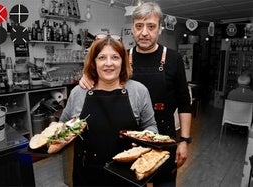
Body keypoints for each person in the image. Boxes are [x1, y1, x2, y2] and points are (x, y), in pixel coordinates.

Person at [79, 2, 192, 186]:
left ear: (160, 29)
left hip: (163, 139)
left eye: (151, 26)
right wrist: (87, 75)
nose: (144, 32)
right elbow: (102, 69)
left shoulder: (173, 59)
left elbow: (184, 103)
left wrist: (184, 141)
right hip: (127, 143)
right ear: (132, 28)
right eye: (139, 26)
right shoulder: (123, 56)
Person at [59, 36, 158, 186]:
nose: (109, 63)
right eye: (102, 57)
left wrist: (144, 142)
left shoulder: (138, 91)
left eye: (115, 57)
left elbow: (151, 126)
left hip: (128, 173)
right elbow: (62, 127)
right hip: (87, 174)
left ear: (123, 62)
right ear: (94, 62)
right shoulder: (79, 92)